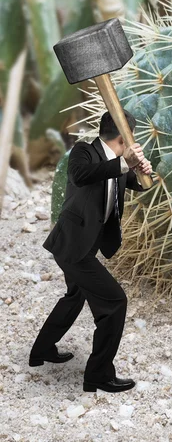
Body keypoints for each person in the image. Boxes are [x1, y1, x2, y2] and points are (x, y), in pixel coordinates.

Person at [29, 110, 152, 393]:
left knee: (75, 296)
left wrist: (144, 171)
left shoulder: (119, 164)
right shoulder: (84, 152)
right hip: (72, 247)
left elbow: (138, 184)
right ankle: (98, 375)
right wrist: (124, 163)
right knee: (115, 303)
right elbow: (82, 175)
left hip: (86, 244)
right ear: (124, 137)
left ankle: (41, 351)